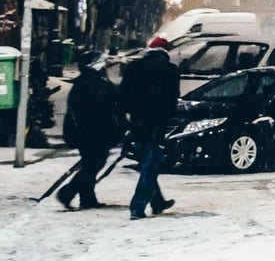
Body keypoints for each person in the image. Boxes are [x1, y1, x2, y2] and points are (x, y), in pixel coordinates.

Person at [119, 45, 181, 220]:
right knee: (151, 163)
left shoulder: (133, 68)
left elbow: (123, 95)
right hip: (157, 122)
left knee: (149, 159)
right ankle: (137, 207)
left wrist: (133, 114)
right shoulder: (171, 70)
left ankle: (157, 202)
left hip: (139, 121)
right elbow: (172, 98)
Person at [56, 51, 123, 211]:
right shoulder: (90, 82)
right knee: (93, 164)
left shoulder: (95, 81)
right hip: (91, 132)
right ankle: (67, 192)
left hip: (94, 131)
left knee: (91, 164)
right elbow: (90, 110)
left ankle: (87, 198)